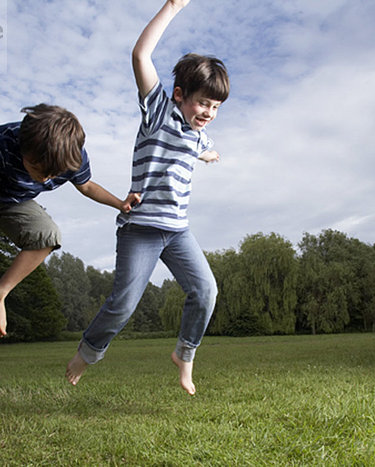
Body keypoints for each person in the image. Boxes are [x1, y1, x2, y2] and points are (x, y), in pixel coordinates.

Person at [66, 0, 230, 395]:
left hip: (178, 231)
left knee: (206, 290)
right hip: (140, 228)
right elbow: (141, 54)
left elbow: (201, 145)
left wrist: (209, 152)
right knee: (122, 304)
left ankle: (184, 356)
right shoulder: (159, 111)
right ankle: (86, 354)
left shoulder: (198, 133)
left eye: (216, 106)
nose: (208, 112)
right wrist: (172, 7)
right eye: (202, 103)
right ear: (178, 95)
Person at [0, 104, 139, 336]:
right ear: (23, 147)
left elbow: (88, 187)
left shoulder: (72, 156)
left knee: (49, 236)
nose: (44, 178)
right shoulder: (1, 140)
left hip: (16, 201)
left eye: (52, 175)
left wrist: (120, 204)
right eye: (37, 168)